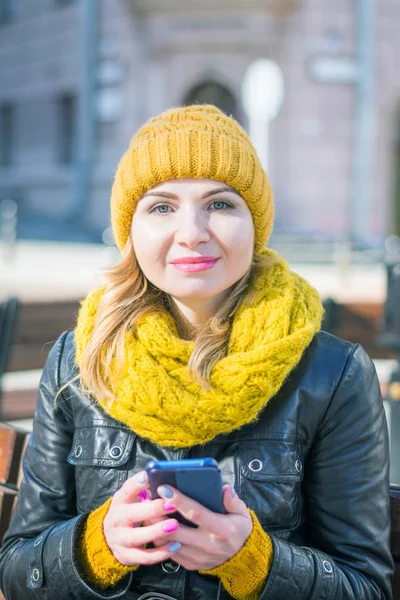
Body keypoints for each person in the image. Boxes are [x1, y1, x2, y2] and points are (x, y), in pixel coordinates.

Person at [0, 104, 393, 600]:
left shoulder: (330, 374)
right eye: (162, 207)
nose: (191, 232)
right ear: (131, 230)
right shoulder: (78, 360)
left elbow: (367, 587)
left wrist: (254, 561)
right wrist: (96, 545)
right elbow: (16, 568)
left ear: (255, 224)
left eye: (221, 204)